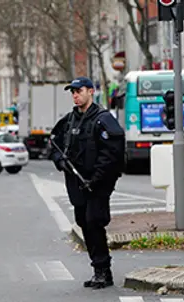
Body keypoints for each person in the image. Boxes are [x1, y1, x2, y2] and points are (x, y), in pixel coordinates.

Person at [49, 77, 126, 289]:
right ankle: (97, 270)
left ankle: (103, 271)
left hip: (97, 183)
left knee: (94, 222)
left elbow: (113, 153)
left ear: (91, 92)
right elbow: (53, 143)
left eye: (79, 91)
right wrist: (60, 162)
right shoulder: (69, 120)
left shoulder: (103, 119)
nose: (75, 95)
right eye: (72, 92)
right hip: (76, 183)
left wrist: (97, 178)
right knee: (84, 223)